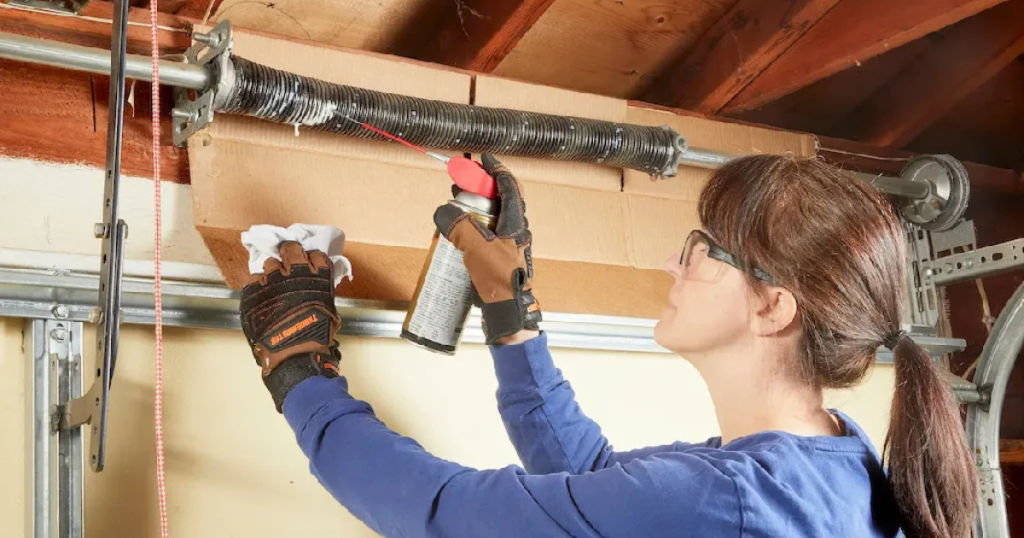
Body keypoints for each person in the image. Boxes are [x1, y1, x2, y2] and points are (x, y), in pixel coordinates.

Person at [239, 154, 978, 538]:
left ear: (773, 307)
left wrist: (301, 376)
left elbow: (445, 514)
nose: (674, 263)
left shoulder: (729, 501)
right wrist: (511, 314)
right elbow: (591, 482)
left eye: (704, 249)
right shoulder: (834, 467)